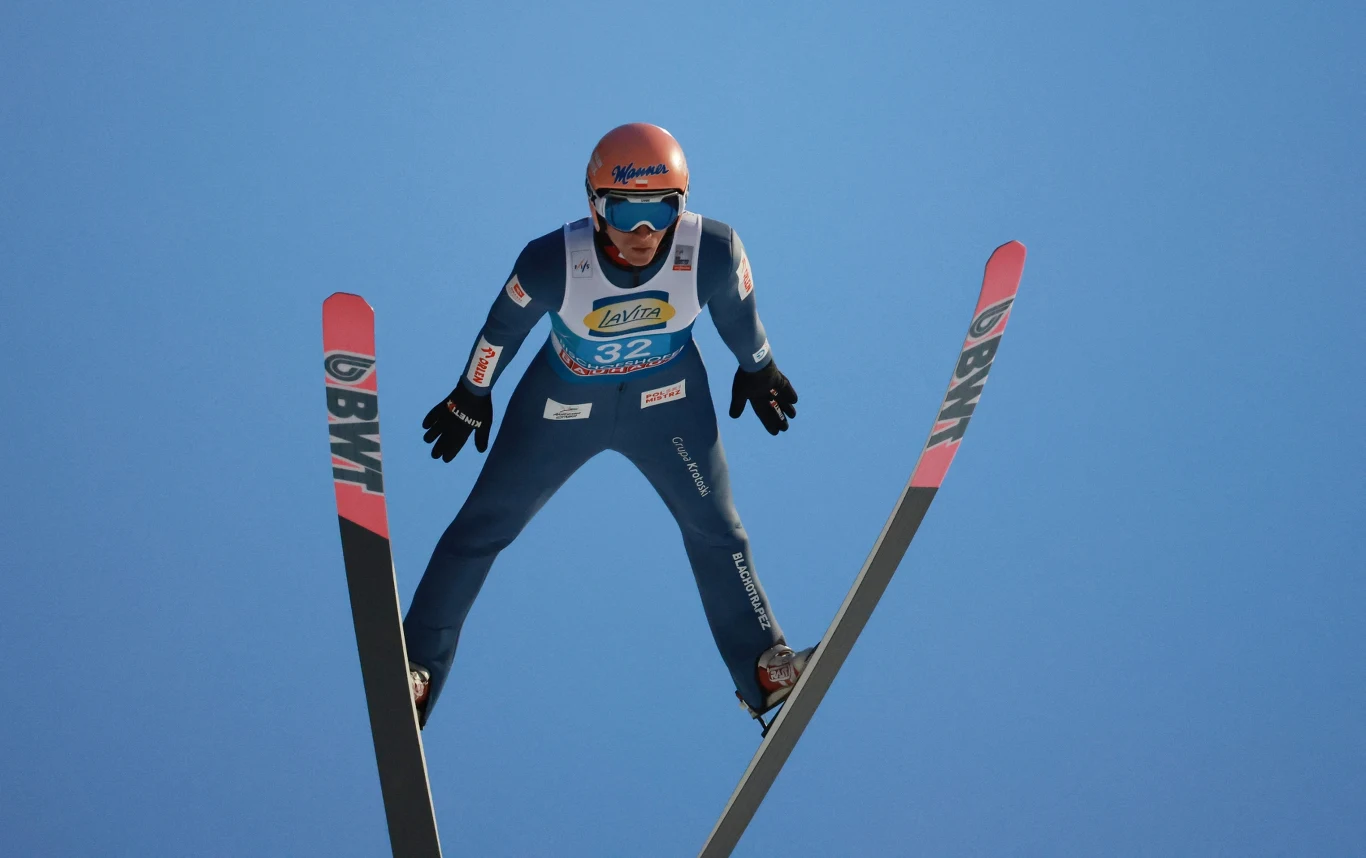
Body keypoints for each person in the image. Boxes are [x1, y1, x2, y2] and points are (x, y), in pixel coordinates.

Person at [402, 123, 813, 727]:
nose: (643, 231)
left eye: (661, 210)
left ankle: (763, 671)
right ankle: (415, 668)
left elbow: (739, 313)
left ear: (683, 205)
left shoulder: (714, 250)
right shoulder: (552, 261)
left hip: (668, 404)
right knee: (481, 528)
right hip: (562, 406)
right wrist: (472, 391)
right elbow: (501, 330)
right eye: (624, 210)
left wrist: (760, 368)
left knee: (717, 529)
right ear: (594, 205)